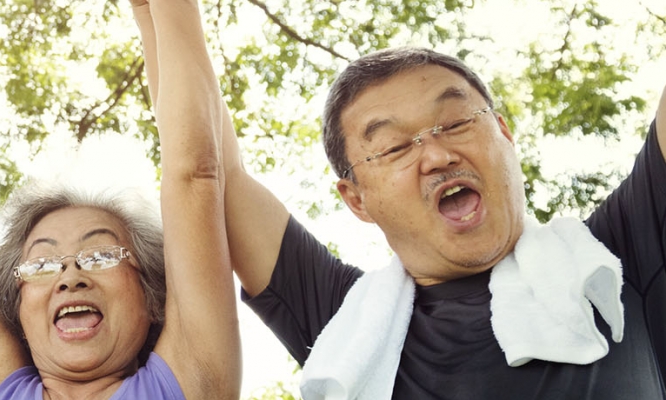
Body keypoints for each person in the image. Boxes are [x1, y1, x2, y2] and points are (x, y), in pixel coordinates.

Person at [185, 2, 666, 398]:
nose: (436, 155)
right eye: (394, 147)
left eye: (456, 122)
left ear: (503, 133)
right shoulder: (347, 327)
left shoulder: (618, 260)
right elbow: (210, 167)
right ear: (357, 200)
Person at [0, 0, 241, 398]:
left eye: (102, 255)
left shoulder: (189, 383)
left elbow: (195, 175)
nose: (70, 277)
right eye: (41, 264)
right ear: (17, 310)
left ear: (152, 298)